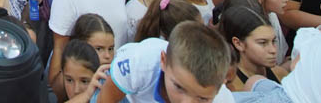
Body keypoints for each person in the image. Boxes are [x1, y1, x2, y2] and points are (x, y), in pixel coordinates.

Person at [98, 21, 234, 103]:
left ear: (221, 84)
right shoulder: (139, 62)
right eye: (179, 87)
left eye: (202, 99)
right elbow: (106, 99)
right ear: (163, 60)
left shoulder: (223, 99)